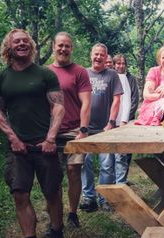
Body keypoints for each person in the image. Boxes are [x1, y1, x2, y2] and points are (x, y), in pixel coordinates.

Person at [0, 29, 65, 238]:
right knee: (20, 193)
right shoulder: (0, 78)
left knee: (52, 191)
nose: (22, 44)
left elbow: (58, 107)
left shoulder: (45, 74)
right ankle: (29, 237)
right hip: (17, 148)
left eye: (25, 41)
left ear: (31, 46)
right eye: (17, 41)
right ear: (9, 46)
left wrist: (51, 138)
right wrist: (13, 139)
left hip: (45, 144)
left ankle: (57, 231)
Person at [48, 32, 91, 228]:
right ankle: (54, 217)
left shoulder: (79, 72)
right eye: (60, 45)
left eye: (67, 46)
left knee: (74, 171)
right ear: (53, 47)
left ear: (71, 48)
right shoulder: (46, 73)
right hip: (51, 133)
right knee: (53, 176)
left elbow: (86, 103)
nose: (63, 49)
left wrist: (83, 130)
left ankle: (72, 213)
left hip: (74, 130)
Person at [80, 43, 123, 212]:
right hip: (85, 128)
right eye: (96, 54)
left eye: (102, 55)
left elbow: (117, 99)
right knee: (86, 163)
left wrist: (111, 122)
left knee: (107, 164)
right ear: (91, 55)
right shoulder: (83, 73)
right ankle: (88, 198)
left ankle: (104, 198)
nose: (98, 57)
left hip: (105, 128)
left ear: (106, 58)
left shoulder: (112, 74)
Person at [112, 54, 140, 184]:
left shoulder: (131, 79)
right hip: (113, 120)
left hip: (128, 120)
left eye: (123, 63)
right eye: (118, 63)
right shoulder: (111, 77)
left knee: (126, 151)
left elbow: (134, 99)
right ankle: (115, 178)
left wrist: (126, 118)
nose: (121, 66)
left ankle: (124, 177)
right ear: (114, 64)